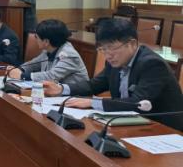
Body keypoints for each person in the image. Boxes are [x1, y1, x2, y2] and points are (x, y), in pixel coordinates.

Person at [44, 18, 183, 131]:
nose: (107, 55)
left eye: (111, 48)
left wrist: (93, 102)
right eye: (103, 49)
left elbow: (137, 103)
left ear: (132, 44)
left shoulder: (152, 64)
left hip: (164, 129)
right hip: (132, 123)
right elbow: (93, 85)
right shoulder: (114, 62)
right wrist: (61, 89)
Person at [6, 19, 89, 84]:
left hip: (76, 96)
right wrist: (19, 69)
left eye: (36, 37)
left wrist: (22, 75)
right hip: (56, 94)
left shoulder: (69, 55)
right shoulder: (49, 50)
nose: (35, 39)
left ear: (46, 41)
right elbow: (33, 64)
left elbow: (51, 76)